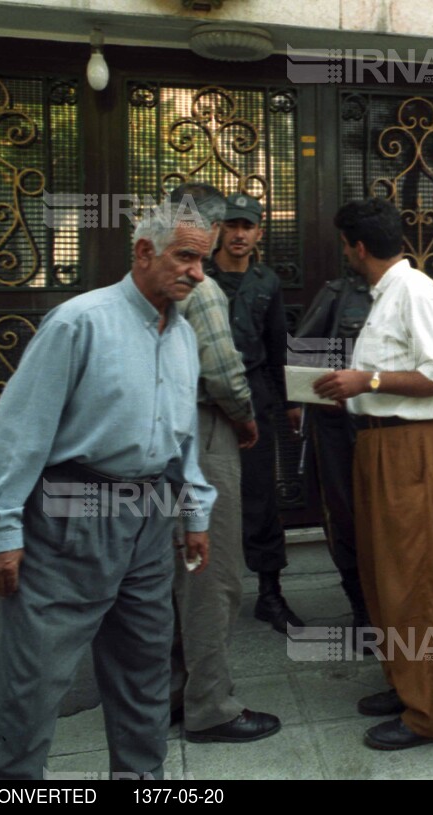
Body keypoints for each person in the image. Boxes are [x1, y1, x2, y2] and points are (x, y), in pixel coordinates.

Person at [0, 201, 217, 779]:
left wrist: (195, 513)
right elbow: (19, 429)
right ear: (144, 252)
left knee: (144, 672)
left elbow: (183, 437)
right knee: (33, 685)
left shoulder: (180, 335)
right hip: (70, 518)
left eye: (202, 261)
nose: (198, 273)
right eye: (186, 257)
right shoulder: (80, 322)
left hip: (151, 520)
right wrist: (0, 529)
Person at [313, 197, 433, 751]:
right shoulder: (385, 295)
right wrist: (347, 390)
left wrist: (366, 383)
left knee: (414, 579)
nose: (347, 256)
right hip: (377, 444)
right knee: (383, 574)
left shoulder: (417, 291)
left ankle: (428, 713)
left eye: (346, 247)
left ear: (357, 247)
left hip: (410, 445)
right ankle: (405, 684)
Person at [166, 183, 279, 744]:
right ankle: (209, 705)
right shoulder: (201, 286)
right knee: (211, 576)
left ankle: (171, 691)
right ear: (211, 231)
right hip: (206, 434)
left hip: (162, 437)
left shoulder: (150, 277)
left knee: (173, 575)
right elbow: (224, 372)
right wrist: (247, 418)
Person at [204, 193, 300, 633]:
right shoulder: (199, 277)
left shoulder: (267, 281)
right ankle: (202, 594)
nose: (240, 234)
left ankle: (269, 593)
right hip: (203, 403)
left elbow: (279, 342)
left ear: (260, 232)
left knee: (261, 496)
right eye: (232, 225)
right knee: (203, 498)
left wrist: (292, 401)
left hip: (256, 395)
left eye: (248, 227)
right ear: (220, 229)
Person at [292, 267, 373, 630]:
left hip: (389, 428)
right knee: (345, 518)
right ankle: (362, 610)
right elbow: (303, 354)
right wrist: (320, 396)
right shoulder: (338, 294)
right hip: (339, 431)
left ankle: (402, 605)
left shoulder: (409, 290)